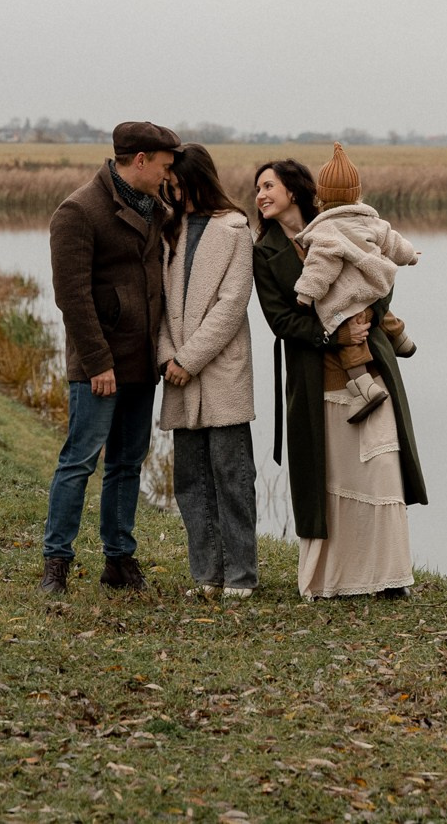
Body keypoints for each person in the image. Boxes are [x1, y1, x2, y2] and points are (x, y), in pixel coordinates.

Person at [253, 156, 426, 600]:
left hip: (372, 370)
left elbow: (381, 280)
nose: (261, 196)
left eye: (268, 186)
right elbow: (281, 321)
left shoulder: (342, 225)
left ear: (294, 189)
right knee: (331, 481)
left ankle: (390, 577)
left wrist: (367, 315)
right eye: (258, 190)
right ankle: (334, 580)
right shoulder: (265, 251)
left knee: (382, 470)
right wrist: (334, 331)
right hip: (318, 381)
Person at [40, 120, 181, 597]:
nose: (167, 175)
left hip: (141, 360)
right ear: (139, 161)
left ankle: (119, 560)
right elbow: (72, 296)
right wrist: (98, 362)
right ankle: (55, 563)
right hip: (98, 366)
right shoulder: (78, 211)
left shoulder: (157, 209)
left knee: (127, 463)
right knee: (79, 461)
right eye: (164, 166)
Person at [158, 144, 258, 599]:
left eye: (176, 185)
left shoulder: (236, 229)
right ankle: (206, 576)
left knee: (232, 478)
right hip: (177, 373)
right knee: (191, 482)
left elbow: (231, 305)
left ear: (196, 180)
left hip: (219, 372)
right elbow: (159, 303)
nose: (172, 194)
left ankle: (241, 576)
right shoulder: (168, 230)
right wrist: (166, 359)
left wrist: (187, 361)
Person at [293, 140, 419, 422]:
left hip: (347, 302)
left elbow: (319, 269)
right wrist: (411, 257)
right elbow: (396, 244)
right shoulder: (372, 221)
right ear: (357, 193)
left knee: (348, 339)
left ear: (320, 196)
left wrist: (305, 296)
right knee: (380, 311)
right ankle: (401, 339)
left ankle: (365, 389)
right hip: (375, 289)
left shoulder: (325, 230)